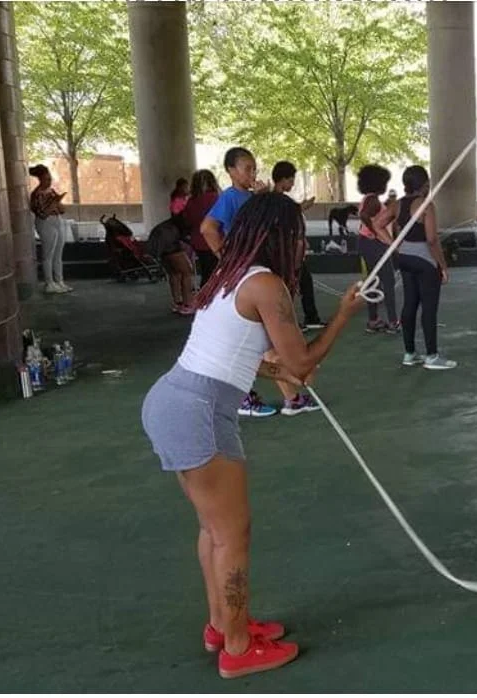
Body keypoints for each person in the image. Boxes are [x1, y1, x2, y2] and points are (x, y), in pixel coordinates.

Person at [142, 192, 365, 679]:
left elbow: (247, 360)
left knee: (214, 530)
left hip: (176, 401)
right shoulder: (266, 284)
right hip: (198, 410)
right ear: (280, 237)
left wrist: (274, 367)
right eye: (299, 234)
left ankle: (224, 625)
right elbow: (300, 368)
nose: (303, 243)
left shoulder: (230, 274)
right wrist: (344, 315)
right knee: (232, 535)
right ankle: (238, 649)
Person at [201, 147, 277, 418]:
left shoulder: (254, 197)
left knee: (258, 334)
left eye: (254, 168)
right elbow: (208, 228)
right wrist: (225, 257)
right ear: (231, 171)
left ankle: (285, 395)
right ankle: (241, 397)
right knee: (240, 336)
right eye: (246, 168)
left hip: (255, 269)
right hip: (241, 272)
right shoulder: (231, 198)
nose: (252, 173)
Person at [395, 165, 455, 369]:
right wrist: (443, 266)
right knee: (429, 307)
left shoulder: (398, 204)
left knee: (409, 303)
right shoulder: (426, 205)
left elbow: (380, 225)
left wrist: (394, 246)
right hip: (424, 260)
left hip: (404, 257)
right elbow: (431, 239)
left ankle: (409, 353)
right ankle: (431, 356)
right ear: (425, 184)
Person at [271, 161, 325, 332]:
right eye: (291, 179)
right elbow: (287, 217)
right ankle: (290, 321)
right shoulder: (278, 201)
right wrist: (303, 206)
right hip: (287, 252)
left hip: (292, 249)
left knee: (303, 282)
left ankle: (311, 317)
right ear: (283, 179)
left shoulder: (280, 201)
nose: (293, 183)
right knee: (289, 286)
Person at [356, 164, 399, 333]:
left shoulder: (368, 198)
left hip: (365, 242)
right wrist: (375, 231)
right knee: (388, 281)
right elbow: (364, 216)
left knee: (373, 281)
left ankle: (373, 320)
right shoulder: (373, 200)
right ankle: (393, 321)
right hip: (374, 244)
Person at [28, 164, 72, 295]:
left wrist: (58, 203)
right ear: (40, 179)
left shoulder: (51, 191)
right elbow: (41, 213)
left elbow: (62, 210)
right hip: (45, 223)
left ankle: (59, 281)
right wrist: (52, 204)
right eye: (46, 179)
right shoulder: (36, 194)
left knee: (58, 254)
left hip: (57, 220)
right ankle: (49, 282)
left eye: (50, 179)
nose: (49, 181)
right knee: (48, 255)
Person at [183, 169, 221, 286]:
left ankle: (204, 298)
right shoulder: (217, 198)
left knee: (206, 272)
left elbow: (187, 221)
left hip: (198, 241)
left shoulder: (191, 201)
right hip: (215, 240)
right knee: (217, 273)